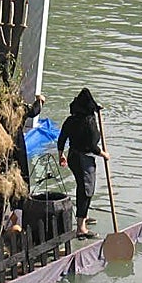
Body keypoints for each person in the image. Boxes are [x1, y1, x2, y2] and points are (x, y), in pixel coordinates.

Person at [57, 88, 108, 239]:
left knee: (83, 187)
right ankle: (81, 228)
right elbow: (92, 146)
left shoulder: (71, 120)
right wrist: (104, 154)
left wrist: (61, 155)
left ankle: (83, 218)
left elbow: (62, 139)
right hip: (84, 159)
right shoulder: (88, 123)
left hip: (73, 157)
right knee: (86, 191)